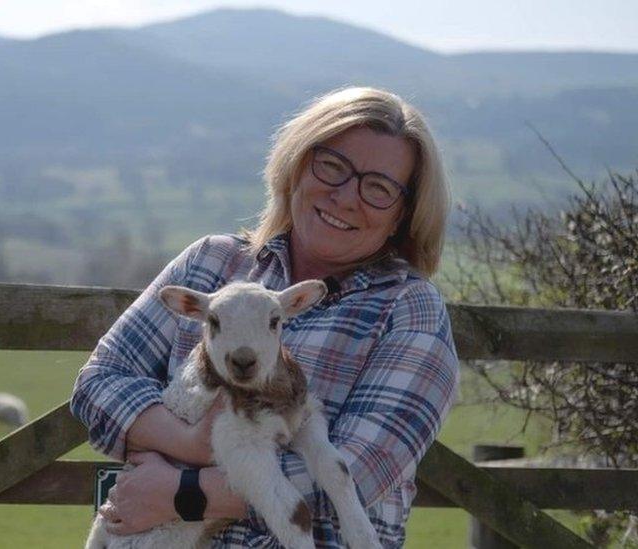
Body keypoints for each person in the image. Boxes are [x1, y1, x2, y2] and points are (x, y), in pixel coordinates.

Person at [70, 86, 459, 548]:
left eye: (378, 188)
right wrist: (188, 441)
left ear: (402, 214)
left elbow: (364, 467)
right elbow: (100, 381)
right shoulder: (211, 265)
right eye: (332, 166)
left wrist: (183, 493)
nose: (346, 197)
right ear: (296, 167)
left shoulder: (409, 310)